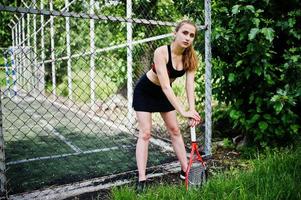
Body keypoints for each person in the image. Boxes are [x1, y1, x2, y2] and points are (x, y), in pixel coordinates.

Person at [132, 20, 202, 191]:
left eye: (191, 35)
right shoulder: (161, 52)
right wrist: (182, 112)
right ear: (175, 33)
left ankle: (185, 170)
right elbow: (164, 85)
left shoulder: (190, 57)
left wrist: (191, 110)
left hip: (164, 93)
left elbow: (189, 85)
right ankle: (142, 179)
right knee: (146, 133)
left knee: (175, 130)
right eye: (184, 33)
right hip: (146, 91)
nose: (188, 38)